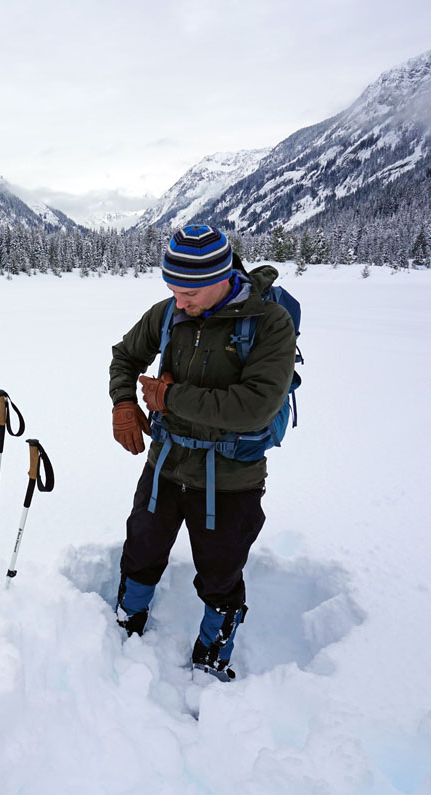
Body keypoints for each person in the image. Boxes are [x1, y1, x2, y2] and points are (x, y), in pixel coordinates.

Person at [108, 224, 296, 680]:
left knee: (220, 571)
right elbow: (125, 355)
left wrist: (168, 398)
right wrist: (124, 402)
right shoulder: (170, 313)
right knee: (142, 546)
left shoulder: (269, 324)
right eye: (171, 289)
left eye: (188, 292)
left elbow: (253, 407)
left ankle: (213, 650)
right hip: (166, 462)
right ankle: (126, 620)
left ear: (222, 277)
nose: (179, 301)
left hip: (231, 476)